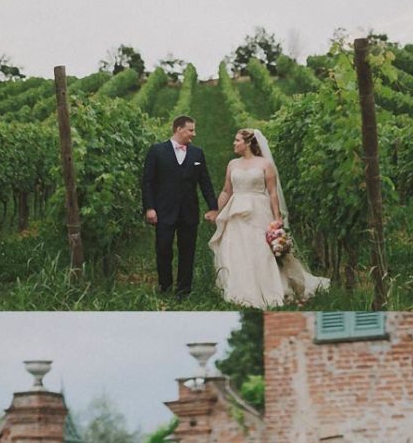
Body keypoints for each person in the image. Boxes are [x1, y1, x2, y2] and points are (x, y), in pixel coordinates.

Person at [207, 128, 329, 308]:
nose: (234, 143)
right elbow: (227, 190)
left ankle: (268, 286)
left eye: (237, 140)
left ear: (248, 143)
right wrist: (216, 211)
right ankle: (240, 287)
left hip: (258, 208)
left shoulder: (264, 164)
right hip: (236, 208)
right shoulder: (232, 164)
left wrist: (277, 217)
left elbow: (272, 192)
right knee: (235, 247)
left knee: (260, 249)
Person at [141, 115, 218, 298]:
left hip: (189, 211)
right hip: (163, 210)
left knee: (187, 250)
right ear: (178, 129)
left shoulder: (197, 154)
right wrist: (149, 208)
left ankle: (184, 289)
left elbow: (205, 182)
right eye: (190, 130)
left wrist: (213, 207)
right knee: (163, 248)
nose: (194, 134)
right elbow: (148, 182)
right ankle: (165, 286)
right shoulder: (157, 151)